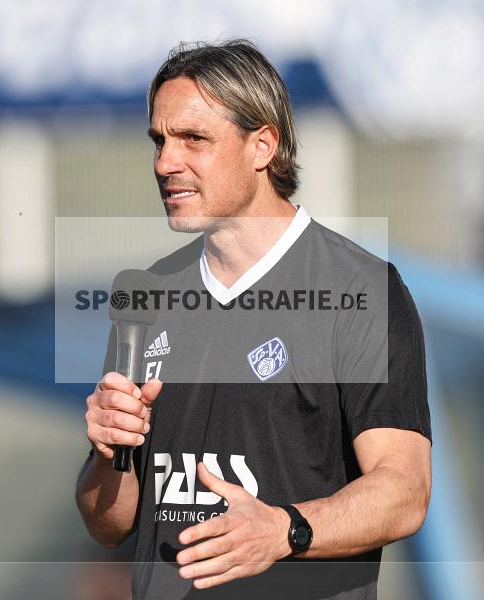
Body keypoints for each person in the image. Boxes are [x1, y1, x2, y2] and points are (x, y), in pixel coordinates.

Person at [76, 39, 431, 600]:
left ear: (262, 145)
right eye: (160, 141)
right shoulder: (147, 295)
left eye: (194, 139)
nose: (166, 163)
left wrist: (284, 529)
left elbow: (404, 492)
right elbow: (109, 524)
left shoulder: (358, 289)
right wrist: (106, 457)